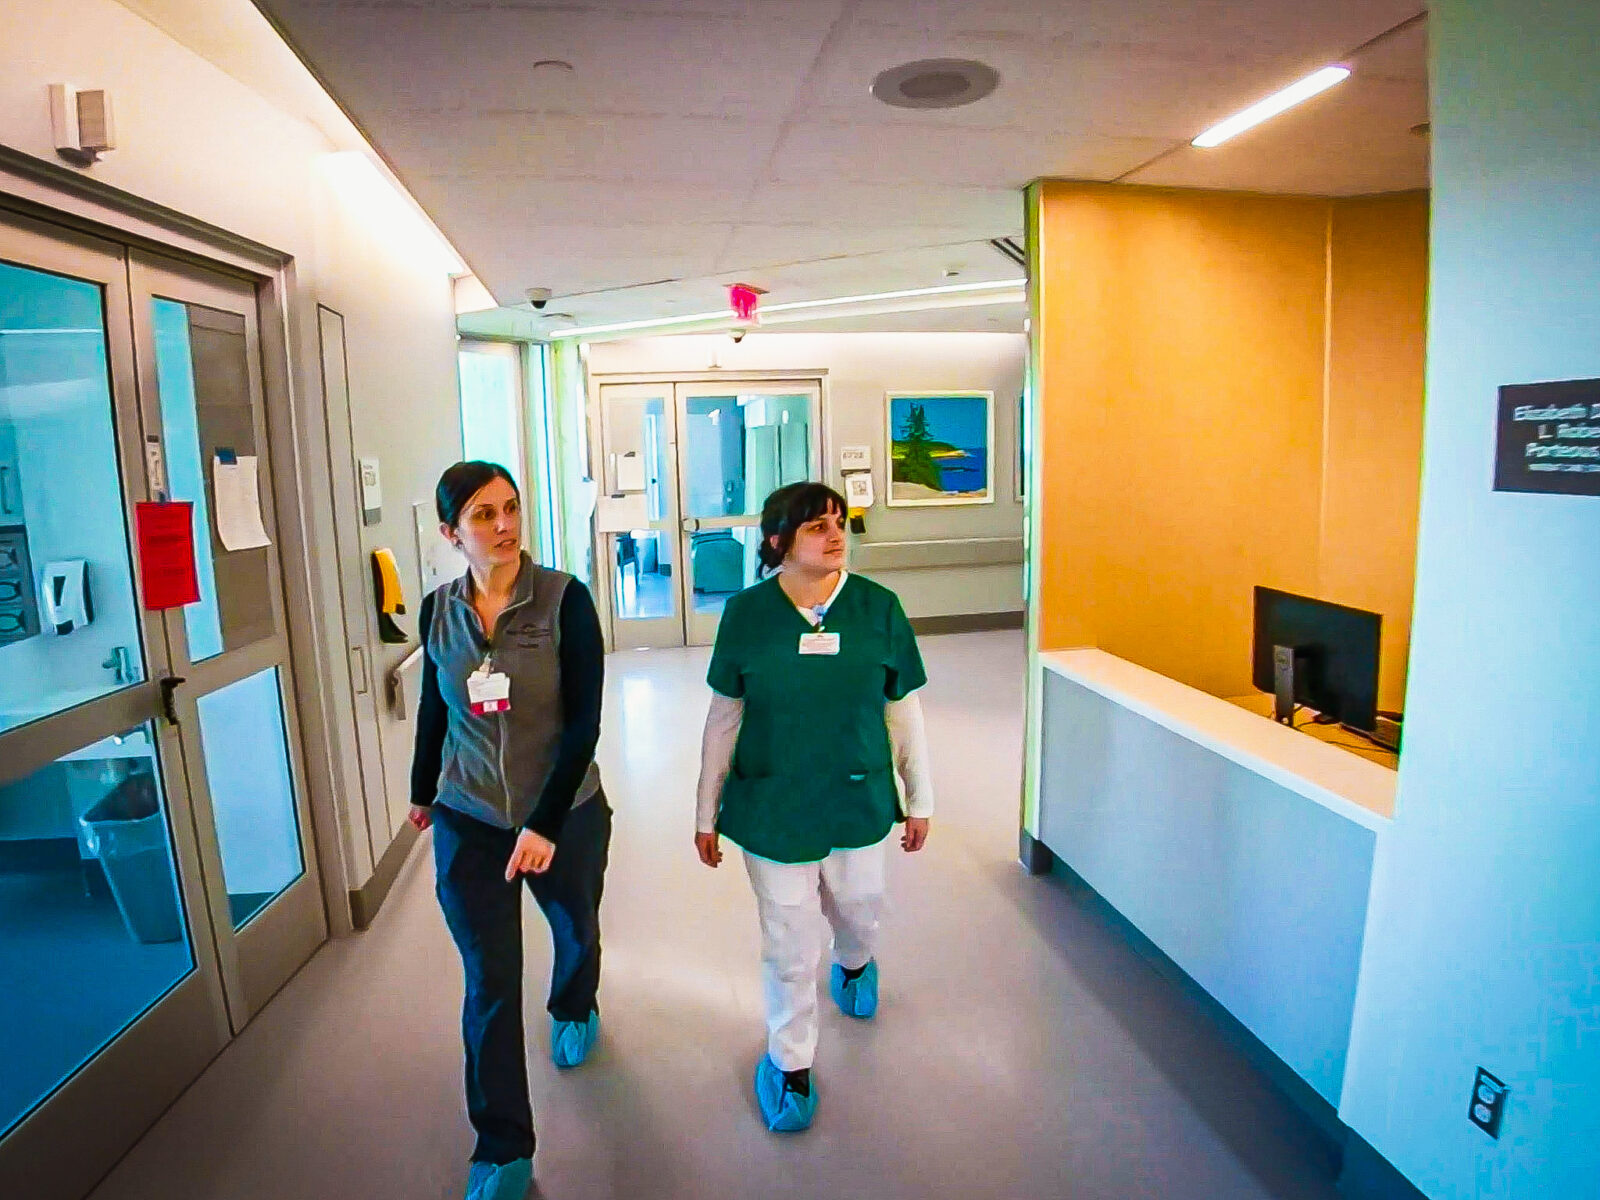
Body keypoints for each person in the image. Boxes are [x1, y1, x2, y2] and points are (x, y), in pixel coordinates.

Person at [694, 481, 935, 1133]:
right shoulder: (746, 614)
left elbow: (901, 708)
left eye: (840, 522)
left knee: (859, 909)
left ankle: (855, 960)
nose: (835, 535)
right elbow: (725, 715)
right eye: (816, 526)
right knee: (789, 940)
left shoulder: (877, 608)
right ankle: (790, 1063)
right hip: (772, 802)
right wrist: (704, 809)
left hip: (855, 795)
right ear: (777, 542)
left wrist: (920, 795)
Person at [409, 461, 610, 1200]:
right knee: (490, 983)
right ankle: (502, 1146)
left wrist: (547, 824)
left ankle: (574, 1001)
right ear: (450, 533)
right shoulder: (438, 612)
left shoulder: (563, 600)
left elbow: (584, 723)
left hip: (565, 812)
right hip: (471, 819)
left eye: (510, 509)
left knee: (576, 924)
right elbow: (437, 707)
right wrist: (424, 790)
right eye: (483, 515)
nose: (502, 526)